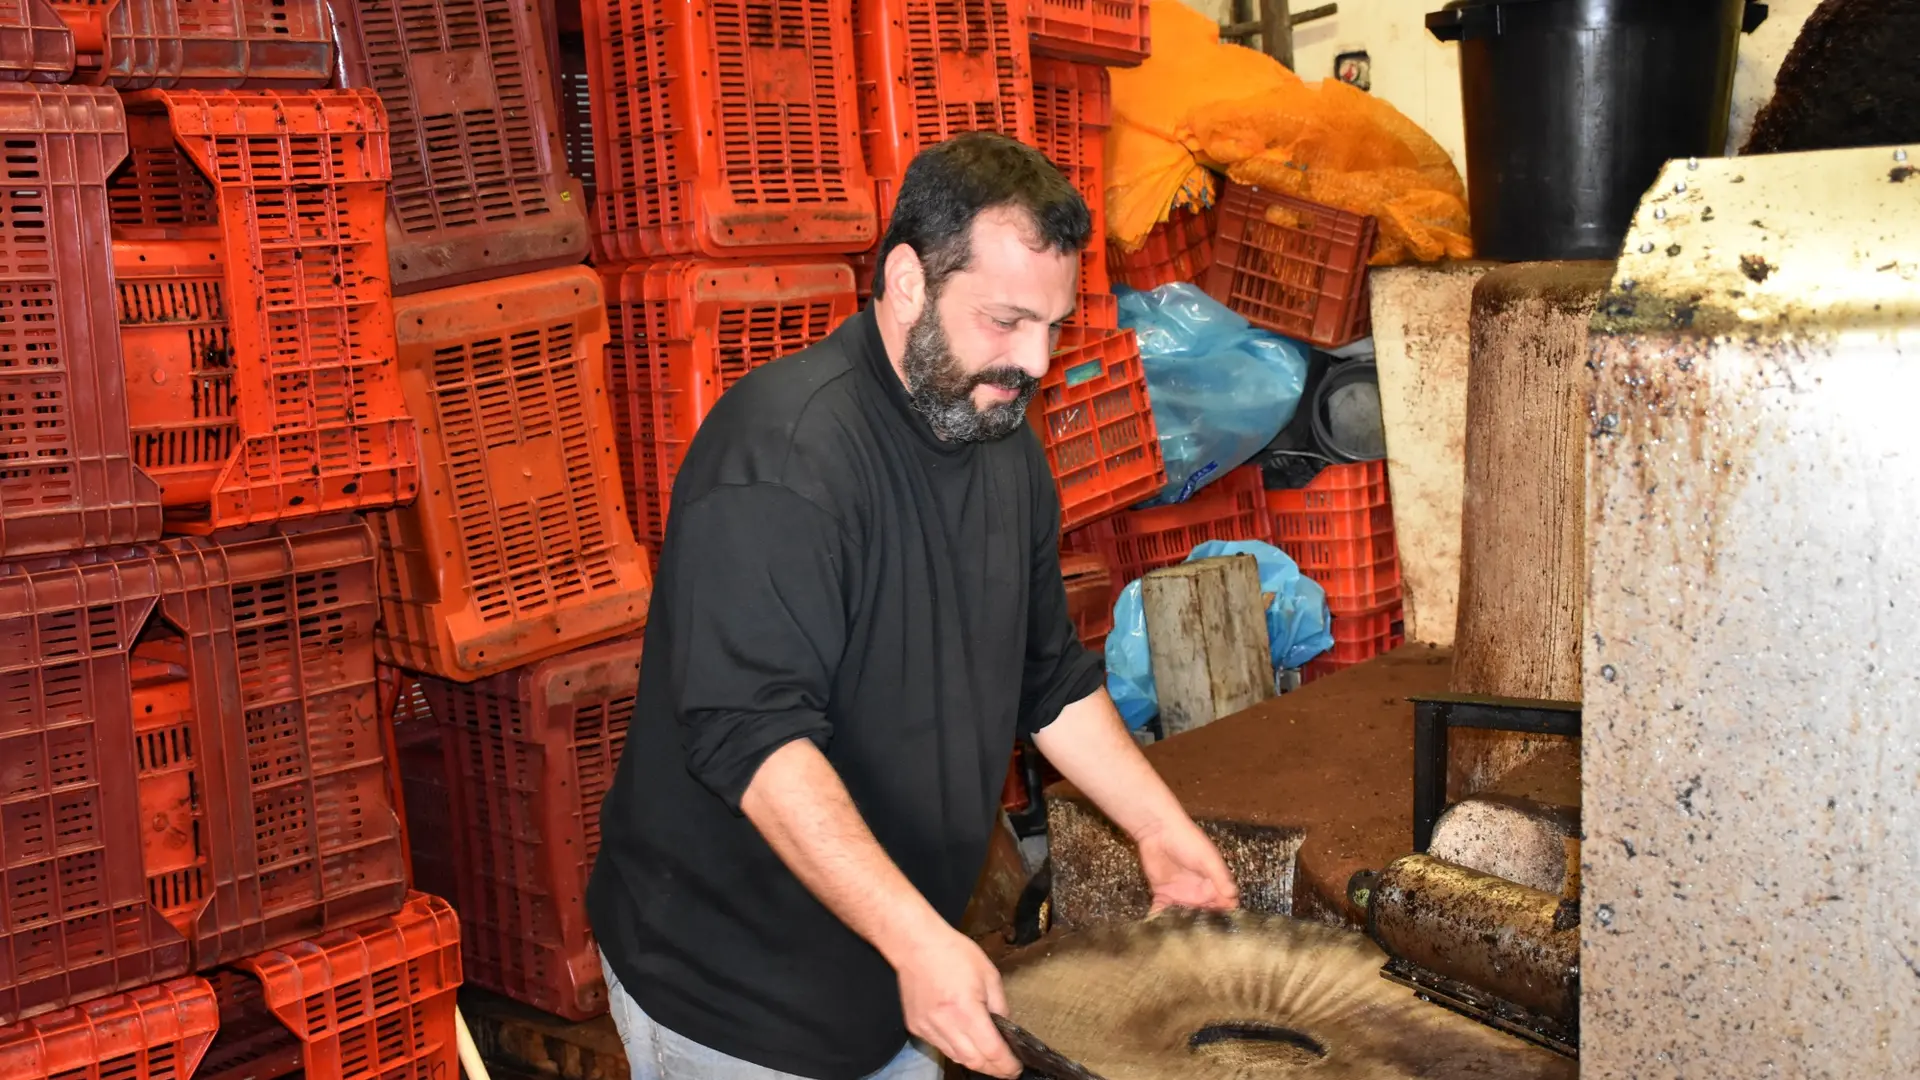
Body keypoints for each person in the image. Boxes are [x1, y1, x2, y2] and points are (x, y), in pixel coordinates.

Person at [586, 131, 1239, 1080]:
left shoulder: (999, 436)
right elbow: (753, 742)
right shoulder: (783, 460)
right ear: (904, 281)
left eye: (1054, 325)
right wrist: (916, 941)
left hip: (898, 971)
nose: (1037, 361)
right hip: (734, 999)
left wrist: (1158, 828)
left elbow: (1046, 676)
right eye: (1006, 320)